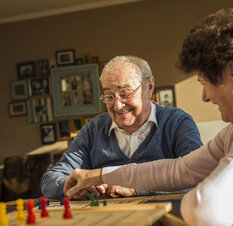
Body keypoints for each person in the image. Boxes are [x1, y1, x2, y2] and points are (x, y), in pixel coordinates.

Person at [64, 8, 233, 226]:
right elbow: (179, 169)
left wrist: (205, 184)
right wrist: (96, 175)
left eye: (204, 83)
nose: (204, 97)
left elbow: (205, 211)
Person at [41, 55, 203, 200]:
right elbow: (50, 180)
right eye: (109, 97)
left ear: (149, 87)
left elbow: (199, 176)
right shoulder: (93, 129)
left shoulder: (176, 122)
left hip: (165, 223)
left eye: (125, 94)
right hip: (109, 225)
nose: (118, 105)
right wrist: (75, 186)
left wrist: (138, 188)